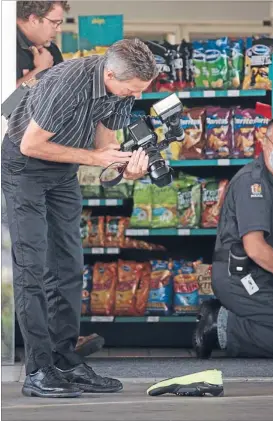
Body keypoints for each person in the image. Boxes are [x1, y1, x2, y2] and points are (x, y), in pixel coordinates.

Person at [2, 38, 158, 398]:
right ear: (110, 73)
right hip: (24, 167)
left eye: (139, 91)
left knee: (69, 265)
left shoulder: (122, 89)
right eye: (131, 89)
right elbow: (30, 145)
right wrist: (96, 159)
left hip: (62, 172)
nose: (133, 96)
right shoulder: (68, 83)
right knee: (33, 268)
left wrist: (126, 168)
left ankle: (66, 360)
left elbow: (103, 148)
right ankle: (39, 372)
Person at [16, 0, 105, 357]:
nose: (57, 30)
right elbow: (6, 107)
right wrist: (38, 72)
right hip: (20, 163)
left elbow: (65, 98)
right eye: (54, 22)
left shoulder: (50, 48)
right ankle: (39, 356)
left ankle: (62, 345)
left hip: (59, 163)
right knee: (30, 264)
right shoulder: (13, 49)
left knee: (65, 259)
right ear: (32, 18)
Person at [193, 115, 273, 360]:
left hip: (261, 277)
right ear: (264, 142)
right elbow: (256, 248)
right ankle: (220, 325)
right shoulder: (254, 184)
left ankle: (233, 322)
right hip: (239, 278)